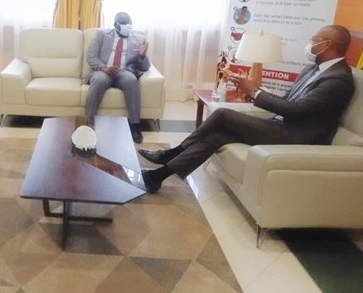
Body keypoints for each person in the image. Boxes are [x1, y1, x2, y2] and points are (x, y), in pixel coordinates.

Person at [139, 25, 355, 193]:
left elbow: (296, 111)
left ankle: (172, 153)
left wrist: (254, 92)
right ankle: (157, 177)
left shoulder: (338, 79)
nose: (310, 45)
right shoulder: (311, 69)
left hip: (299, 137)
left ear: (327, 44)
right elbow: (287, 100)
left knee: (222, 114)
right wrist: (254, 89)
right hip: (282, 126)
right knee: (217, 137)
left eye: (313, 40)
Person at [86, 12, 151, 143]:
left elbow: (145, 67)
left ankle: (135, 125)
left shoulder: (138, 39)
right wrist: (105, 68)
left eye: (129, 24)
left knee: (131, 80)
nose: (128, 26)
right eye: (124, 24)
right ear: (116, 25)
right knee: (99, 80)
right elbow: (91, 57)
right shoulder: (102, 35)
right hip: (104, 71)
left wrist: (142, 56)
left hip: (124, 71)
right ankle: (89, 122)